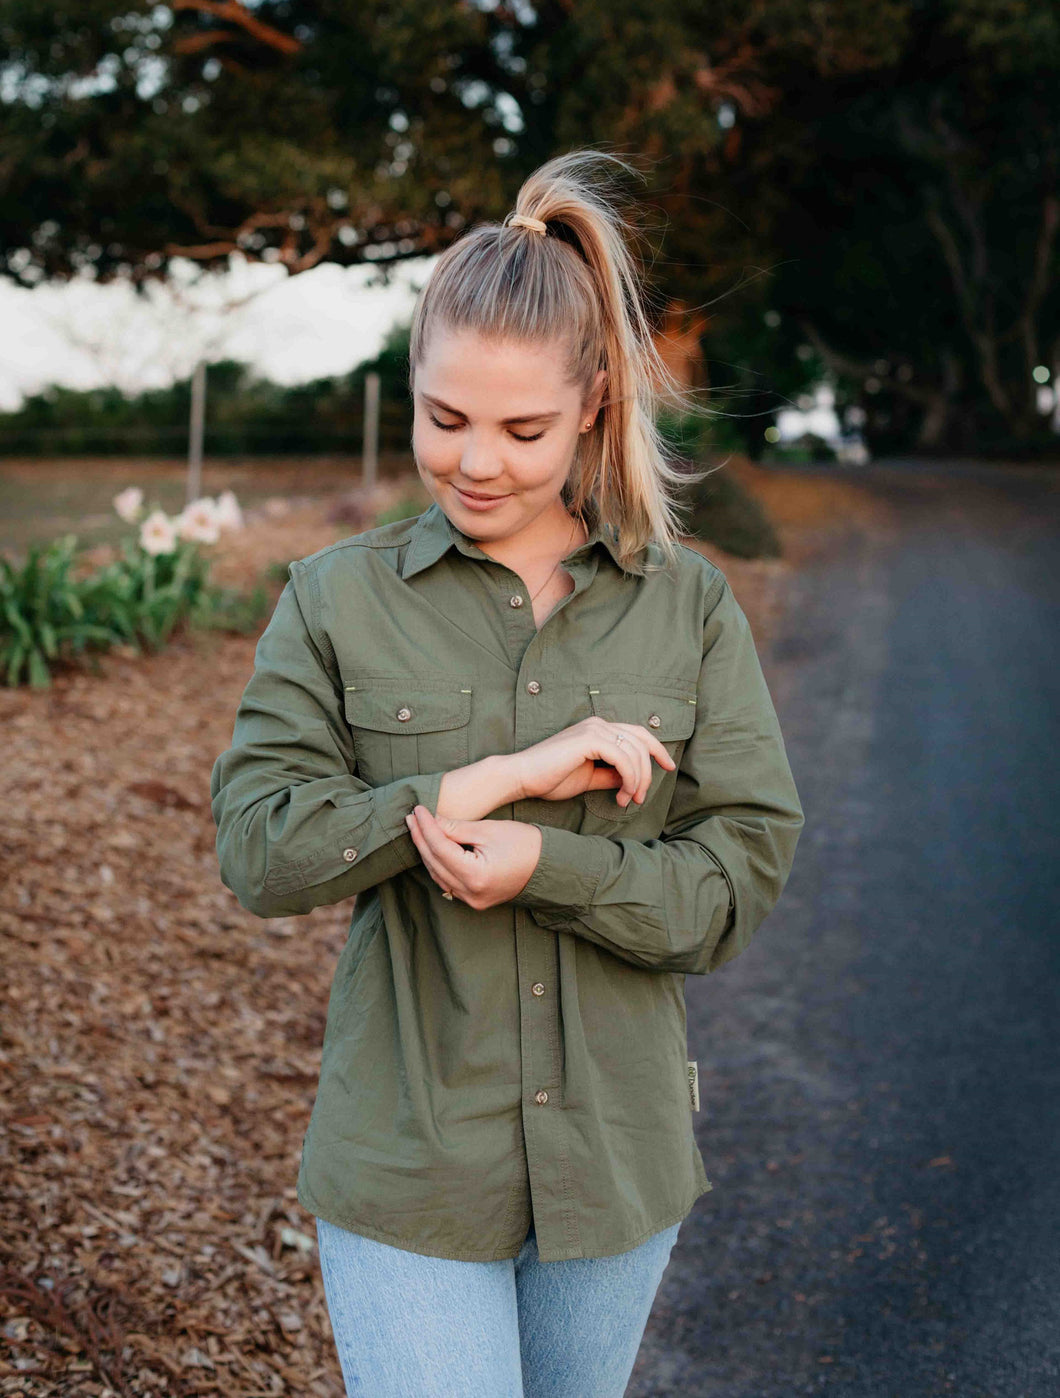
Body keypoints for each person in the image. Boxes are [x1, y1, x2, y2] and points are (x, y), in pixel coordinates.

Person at [210, 148, 804, 1398]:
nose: (475, 462)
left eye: (522, 428)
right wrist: (483, 782)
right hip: (409, 1161)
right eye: (444, 418)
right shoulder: (334, 599)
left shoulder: (686, 608)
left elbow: (735, 883)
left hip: (618, 1157)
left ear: (594, 403)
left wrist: (553, 864)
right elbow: (260, 850)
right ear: (411, 391)